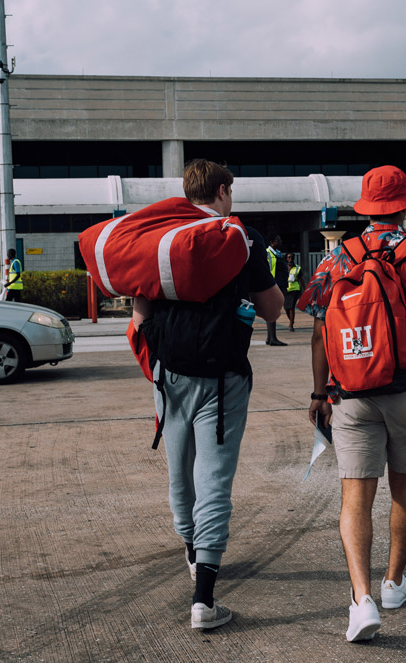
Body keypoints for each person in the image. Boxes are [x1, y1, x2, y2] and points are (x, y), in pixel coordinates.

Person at [299, 165, 406, 642]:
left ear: (365, 207)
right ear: (405, 206)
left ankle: (361, 599)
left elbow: (317, 333)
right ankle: (393, 583)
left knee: (355, 496)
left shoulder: (337, 259)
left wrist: (319, 392)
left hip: (350, 393)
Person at [131, 159, 283, 630]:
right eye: (230, 191)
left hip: (170, 375)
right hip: (225, 378)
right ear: (221, 190)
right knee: (214, 478)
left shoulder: (161, 235)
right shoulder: (243, 237)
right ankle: (203, 601)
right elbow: (273, 309)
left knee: (180, 471)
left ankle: (192, 549)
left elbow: (139, 314)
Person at [265, 233, 289, 346]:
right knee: (272, 310)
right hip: (272, 285)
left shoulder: (277, 254)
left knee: (274, 310)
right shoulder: (267, 253)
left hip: (279, 285)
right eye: (278, 240)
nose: (280, 242)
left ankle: (270, 338)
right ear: (272, 242)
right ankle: (273, 338)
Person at [284, 251, 304, 332]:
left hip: (295, 289)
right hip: (285, 289)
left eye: (291, 257)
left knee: (292, 307)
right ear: (286, 258)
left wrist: (305, 290)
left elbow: (301, 279)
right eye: (288, 257)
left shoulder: (297, 268)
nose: (290, 259)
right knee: (286, 307)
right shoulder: (283, 267)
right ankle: (291, 320)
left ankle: (291, 324)